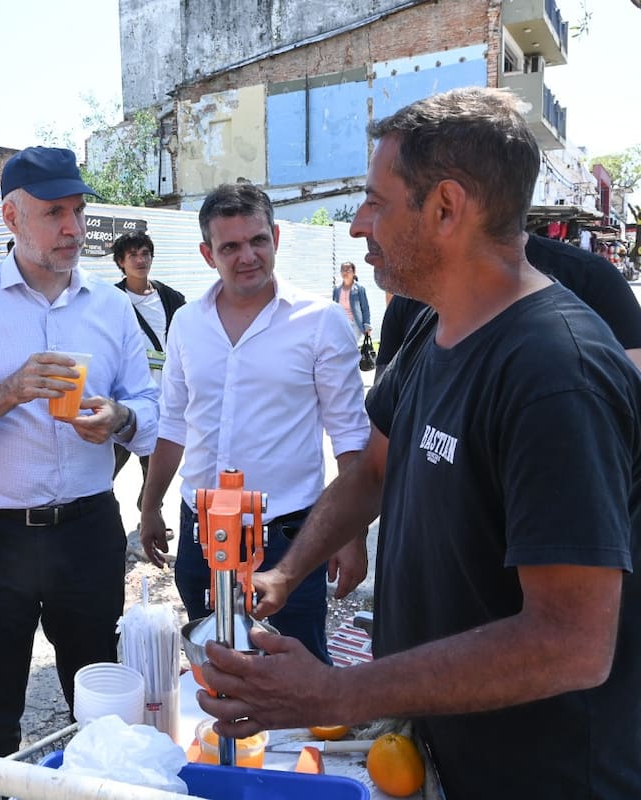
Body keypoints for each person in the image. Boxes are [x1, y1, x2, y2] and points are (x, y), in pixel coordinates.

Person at [197, 88, 641, 798]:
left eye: (375, 201)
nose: (356, 226)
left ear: (445, 208)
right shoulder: (436, 333)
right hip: (441, 748)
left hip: (541, 775)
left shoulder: (556, 374)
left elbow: (572, 642)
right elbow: (373, 472)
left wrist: (342, 695)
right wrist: (286, 572)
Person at [0, 145, 159, 756]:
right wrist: (7, 391)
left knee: (101, 710)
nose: (73, 228)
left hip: (87, 533)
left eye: (78, 210)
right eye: (54, 212)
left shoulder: (110, 305)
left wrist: (120, 418)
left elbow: (154, 415)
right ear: (11, 217)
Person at [138, 182, 369, 663]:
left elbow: (349, 435)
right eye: (230, 246)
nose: (247, 256)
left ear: (276, 238)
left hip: (288, 540)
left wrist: (351, 532)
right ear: (208, 254)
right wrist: (150, 504)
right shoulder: (186, 323)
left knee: (296, 679)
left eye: (257, 240)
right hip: (201, 535)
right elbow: (174, 423)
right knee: (216, 669)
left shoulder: (320, 321)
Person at [375, 234, 641, 380]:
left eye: (379, 203)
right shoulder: (412, 300)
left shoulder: (592, 278)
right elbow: (382, 434)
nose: (361, 225)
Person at [110, 230, 184, 510]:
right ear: (120, 262)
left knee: (154, 468)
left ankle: (150, 512)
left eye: (145, 253)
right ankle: (103, 515)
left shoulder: (171, 298)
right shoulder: (109, 299)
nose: (141, 260)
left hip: (161, 399)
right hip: (122, 399)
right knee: (107, 467)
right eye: (133, 255)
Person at [330, 261, 371, 342]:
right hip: (340, 323)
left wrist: (367, 325)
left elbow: (365, 308)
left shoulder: (359, 289)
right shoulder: (337, 289)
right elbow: (333, 307)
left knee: (351, 346)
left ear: (354, 272)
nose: (345, 272)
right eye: (343, 270)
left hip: (354, 324)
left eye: (348, 270)